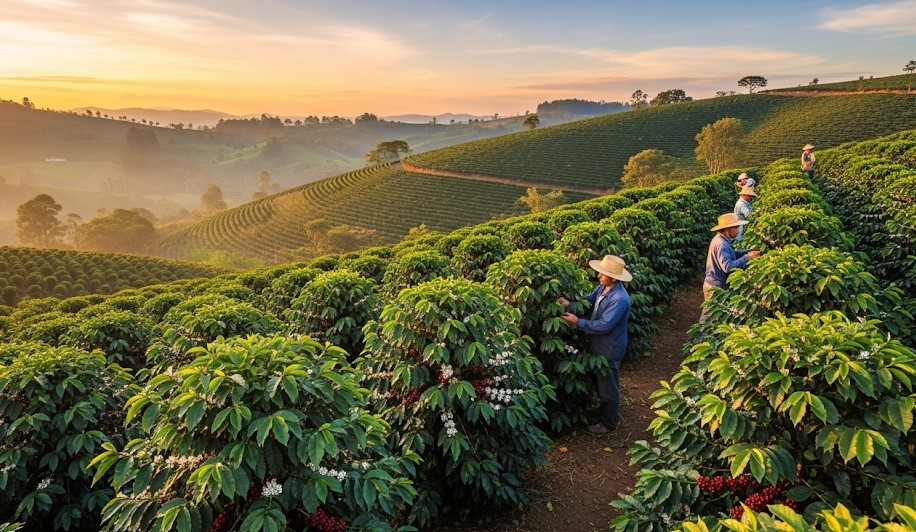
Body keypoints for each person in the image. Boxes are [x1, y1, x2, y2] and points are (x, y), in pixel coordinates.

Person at [559, 255, 632, 435]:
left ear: (614, 278)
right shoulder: (603, 288)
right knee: (602, 383)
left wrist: (578, 322)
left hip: (609, 349)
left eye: (603, 273)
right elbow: (587, 302)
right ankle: (603, 413)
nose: (598, 275)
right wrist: (570, 304)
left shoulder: (619, 299)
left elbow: (604, 325)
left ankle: (609, 423)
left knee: (609, 387)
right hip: (598, 346)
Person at [700, 213, 761, 322]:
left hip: (716, 285)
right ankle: (699, 338)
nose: (738, 230)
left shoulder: (722, 240)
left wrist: (747, 252)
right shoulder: (721, 244)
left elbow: (732, 254)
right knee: (709, 318)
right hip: (715, 287)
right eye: (735, 227)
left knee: (714, 316)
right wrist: (747, 257)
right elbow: (727, 267)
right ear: (727, 229)